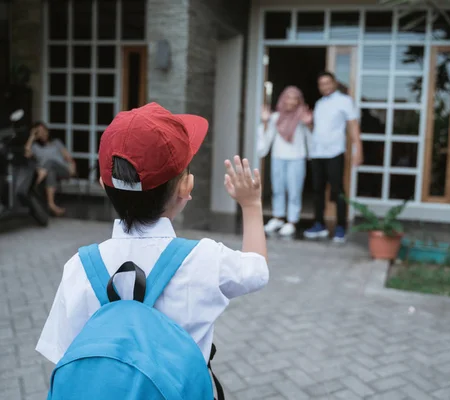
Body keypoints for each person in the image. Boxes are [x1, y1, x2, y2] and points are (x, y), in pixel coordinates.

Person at [35, 103, 269, 384]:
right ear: (186, 187)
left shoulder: (79, 268)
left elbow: (63, 354)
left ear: (102, 182)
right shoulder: (204, 259)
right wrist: (251, 205)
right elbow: (258, 269)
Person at [303, 71, 363, 243]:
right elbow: (317, 130)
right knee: (317, 190)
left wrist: (358, 149)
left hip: (335, 152)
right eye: (321, 84)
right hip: (317, 153)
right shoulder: (320, 103)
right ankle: (319, 224)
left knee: (337, 190)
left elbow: (353, 126)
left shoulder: (345, 101)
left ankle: (340, 227)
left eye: (328, 83)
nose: (325, 87)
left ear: (335, 83)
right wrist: (309, 123)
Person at [258, 86, 312, 237]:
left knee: (294, 191)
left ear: (299, 101)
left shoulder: (302, 118)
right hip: (278, 157)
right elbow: (266, 138)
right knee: (278, 190)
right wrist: (265, 122)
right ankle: (278, 218)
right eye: (288, 97)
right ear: (283, 99)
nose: (291, 101)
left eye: (295, 98)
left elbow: (311, 139)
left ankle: (292, 221)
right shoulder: (275, 117)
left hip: (296, 158)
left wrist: (309, 124)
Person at [24, 121, 76, 216]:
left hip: (62, 169)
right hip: (48, 172)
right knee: (50, 171)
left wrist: (72, 166)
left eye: (44, 130)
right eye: (39, 131)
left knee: (50, 163)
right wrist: (31, 137)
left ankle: (35, 184)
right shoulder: (35, 147)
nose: (43, 133)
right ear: (36, 134)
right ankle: (51, 205)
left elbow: (68, 157)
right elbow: (27, 154)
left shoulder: (56, 142)